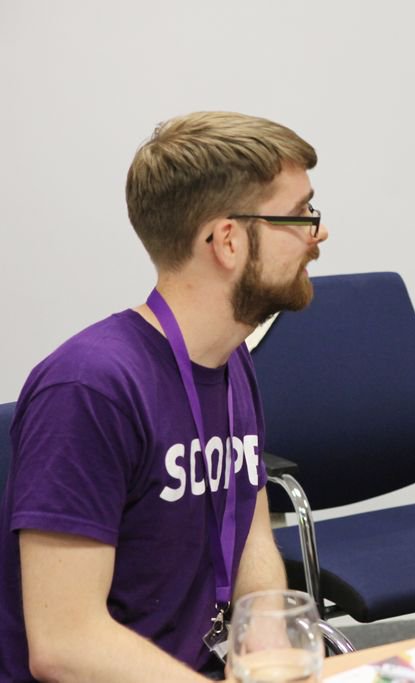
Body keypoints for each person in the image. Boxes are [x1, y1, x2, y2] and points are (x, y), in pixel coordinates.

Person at [0, 111, 329, 681]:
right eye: (299, 214)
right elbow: (64, 644)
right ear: (228, 240)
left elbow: (248, 532)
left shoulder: (231, 359)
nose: (317, 234)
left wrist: (267, 650)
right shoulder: (90, 388)